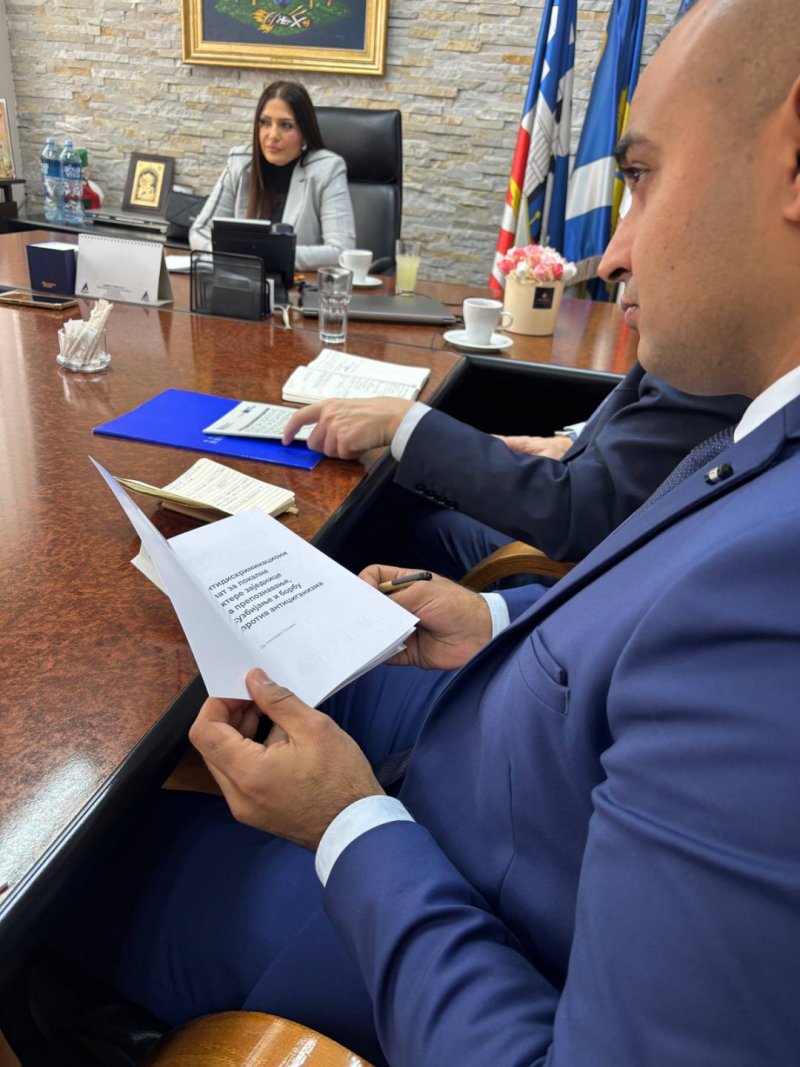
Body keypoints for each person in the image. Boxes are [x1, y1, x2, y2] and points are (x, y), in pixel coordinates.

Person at [27, 2, 800, 1063]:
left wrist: (349, 823)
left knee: (68, 872)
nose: (612, 251)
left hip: (426, 916)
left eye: (643, 175)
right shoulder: (766, 439)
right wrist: (496, 617)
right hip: (476, 780)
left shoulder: (776, 590)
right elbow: (652, 609)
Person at [281, 367, 747, 577]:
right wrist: (571, 443)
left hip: (588, 576)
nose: (611, 262)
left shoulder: (713, 356)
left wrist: (402, 423)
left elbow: (580, 513)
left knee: (393, 521)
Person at [189, 80, 356, 271]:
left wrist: (268, 255)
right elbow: (199, 231)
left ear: (304, 132)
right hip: (243, 282)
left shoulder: (327, 170)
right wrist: (235, 255)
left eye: (286, 125)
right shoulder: (240, 163)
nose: (273, 135)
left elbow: (342, 251)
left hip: (299, 286)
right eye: (265, 123)